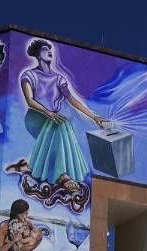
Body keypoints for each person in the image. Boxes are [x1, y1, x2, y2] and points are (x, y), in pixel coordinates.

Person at [19, 39, 106, 186]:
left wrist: (94, 117)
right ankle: (61, 175)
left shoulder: (58, 79)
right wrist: (48, 113)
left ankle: (59, 171)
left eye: (50, 49)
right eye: (45, 49)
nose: (49, 51)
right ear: (38, 54)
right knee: (60, 123)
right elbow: (30, 100)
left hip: (54, 119)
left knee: (62, 123)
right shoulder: (29, 75)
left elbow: (72, 100)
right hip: (36, 117)